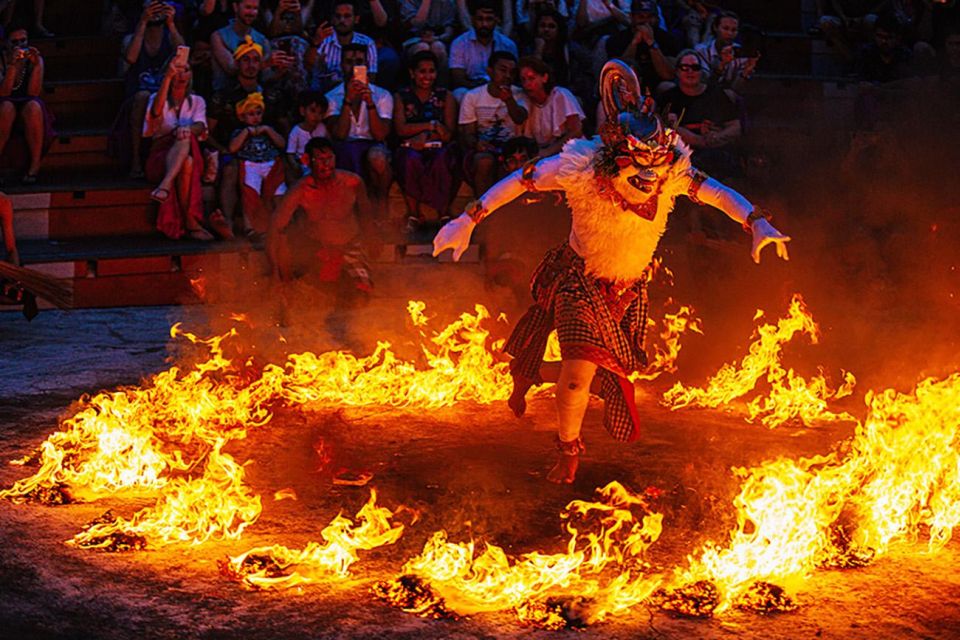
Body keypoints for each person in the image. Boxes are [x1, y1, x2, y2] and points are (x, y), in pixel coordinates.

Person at [433, 60, 791, 483]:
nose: (648, 179)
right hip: (579, 283)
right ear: (612, 159)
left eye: (655, 169)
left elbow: (715, 193)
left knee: (599, 375)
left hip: (628, 287)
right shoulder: (579, 170)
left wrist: (756, 222)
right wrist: (467, 220)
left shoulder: (670, 173)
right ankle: (568, 450)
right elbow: (520, 179)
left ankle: (528, 370)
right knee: (577, 378)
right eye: (637, 168)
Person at [267, 136, 376, 315]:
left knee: (360, 294)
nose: (326, 165)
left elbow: (366, 212)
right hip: (316, 250)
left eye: (330, 158)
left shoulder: (352, 182)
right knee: (314, 293)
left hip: (349, 246)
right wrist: (275, 272)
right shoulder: (301, 190)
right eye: (320, 160)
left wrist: (372, 237)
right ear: (308, 161)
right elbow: (276, 228)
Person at [143, 54, 221, 241]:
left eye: (186, 69)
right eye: (177, 70)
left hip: (190, 155)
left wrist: (186, 129)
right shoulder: (156, 98)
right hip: (160, 157)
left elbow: (201, 127)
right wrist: (167, 78)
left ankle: (165, 186)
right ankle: (191, 223)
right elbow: (155, 114)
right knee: (186, 157)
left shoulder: (197, 101)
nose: (182, 74)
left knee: (186, 148)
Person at [324, 42, 393, 221]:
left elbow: (380, 135)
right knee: (346, 150)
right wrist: (348, 100)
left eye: (359, 62)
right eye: (349, 61)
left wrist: (369, 103)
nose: (354, 66)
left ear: (367, 66)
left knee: (377, 157)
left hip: (373, 145)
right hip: (345, 145)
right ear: (341, 65)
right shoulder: (332, 97)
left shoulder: (382, 95)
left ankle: (380, 205)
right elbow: (339, 134)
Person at [116, 0, 185, 179]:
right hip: (138, 97)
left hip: (165, 95)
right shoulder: (132, 37)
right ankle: (136, 160)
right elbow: (131, 58)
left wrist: (171, 24)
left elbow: (183, 55)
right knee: (143, 96)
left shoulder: (170, 37)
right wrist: (143, 22)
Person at [393, 50, 458, 229]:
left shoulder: (446, 96)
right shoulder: (401, 96)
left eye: (431, 71)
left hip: (438, 146)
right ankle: (414, 214)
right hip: (410, 147)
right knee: (409, 159)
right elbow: (400, 129)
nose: (427, 76)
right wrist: (430, 126)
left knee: (442, 158)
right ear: (412, 73)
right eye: (422, 71)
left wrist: (426, 136)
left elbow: (447, 133)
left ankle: (443, 213)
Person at [458, 50, 528, 196]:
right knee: (484, 162)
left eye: (512, 72)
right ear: (490, 71)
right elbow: (468, 134)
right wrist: (477, 144)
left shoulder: (519, 94)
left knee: (511, 162)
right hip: (484, 149)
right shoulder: (473, 96)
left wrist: (509, 100)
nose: (507, 76)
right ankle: (483, 209)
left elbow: (520, 118)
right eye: (503, 70)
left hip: (512, 148)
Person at [0, 25, 52, 184]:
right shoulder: (1, 59)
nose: (20, 45)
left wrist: (36, 66)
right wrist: (12, 66)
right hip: (4, 100)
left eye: (23, 41)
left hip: (27, 101)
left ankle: (34, 165)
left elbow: (34, 92)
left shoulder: (35, 59)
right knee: (6, 108)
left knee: (34, 107)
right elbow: (4, 92)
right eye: (14, 42)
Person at [229, 91, 287, 236]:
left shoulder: (268, 129)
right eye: (251, 114)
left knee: (279, 192)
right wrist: (246, 132)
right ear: (242, 117)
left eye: (258, 113)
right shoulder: (238, 131)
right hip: (250, 165)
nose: (255, 117)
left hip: (271, 164)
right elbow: (232, 148)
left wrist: (267, 130)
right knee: (250, 195)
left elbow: (281, 143)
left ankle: (281, 225)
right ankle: (250, 228)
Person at [604, 0, 681, 94]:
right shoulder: (616, 40)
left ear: (657, 18)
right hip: (627, 87)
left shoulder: (668, 39)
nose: (646, 21)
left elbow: (669, 75)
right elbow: (618, 73)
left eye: (650, 17)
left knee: (668, 87)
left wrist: (651, 43)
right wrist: (634, 43)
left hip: (658, 87)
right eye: (640, 17)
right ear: (631, 17)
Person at [449, 0, 518, 98]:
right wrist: (478, 87)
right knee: (459, 93)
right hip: (471, 88)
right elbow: (458, 78)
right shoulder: (459, 43)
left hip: (500, 88)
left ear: (496, 21)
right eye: (480, 19)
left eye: (489, 19)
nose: (484, 24)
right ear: (473, 20)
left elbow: (512, 76)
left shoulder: (508, 45)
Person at [518, 55, 584, 157]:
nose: (527, 84)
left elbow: (576, 131)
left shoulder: (560, 95)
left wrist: (549, 151)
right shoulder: (526, 102)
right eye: (523, 80)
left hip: (572, 151)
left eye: (531, 78)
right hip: (544, 155)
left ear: (544, 78)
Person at [307, 0, 377, 91]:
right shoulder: (322, 40)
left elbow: (371, 77)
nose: (342, 20)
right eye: (338, 16)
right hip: (324, 94)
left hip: (358, 92)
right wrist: (315, 43)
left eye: (347, 16)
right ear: (332, 19)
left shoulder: (367, 43)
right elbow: (308, 66)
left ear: (356, 19)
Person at [211, 0, 273, 92]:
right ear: (236, 7)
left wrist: (280, 70)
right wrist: (263, 64)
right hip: (225, 95)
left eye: (255, 8)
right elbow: (230, 68)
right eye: (248, 7)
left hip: (255, 95)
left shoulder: (262, 40)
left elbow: (266, 77)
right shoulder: (218, 36)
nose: (252, 13)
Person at [693, 10, 759, 93]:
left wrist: (746, 72)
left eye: (734, 30)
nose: (729, 33)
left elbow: (736, 89)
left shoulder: (741, 54)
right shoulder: (701, 51)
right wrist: (722, 65)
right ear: (715, 27)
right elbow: (704, 84)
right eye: (725, 28)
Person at [285, 89, 329, 180]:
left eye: (320, 113)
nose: (316, 116)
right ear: (302, 111)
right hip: (303, 165)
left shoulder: (322, 128)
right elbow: (290, 153)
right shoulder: (296, 131)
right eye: (313, 111)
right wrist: (295, 166)